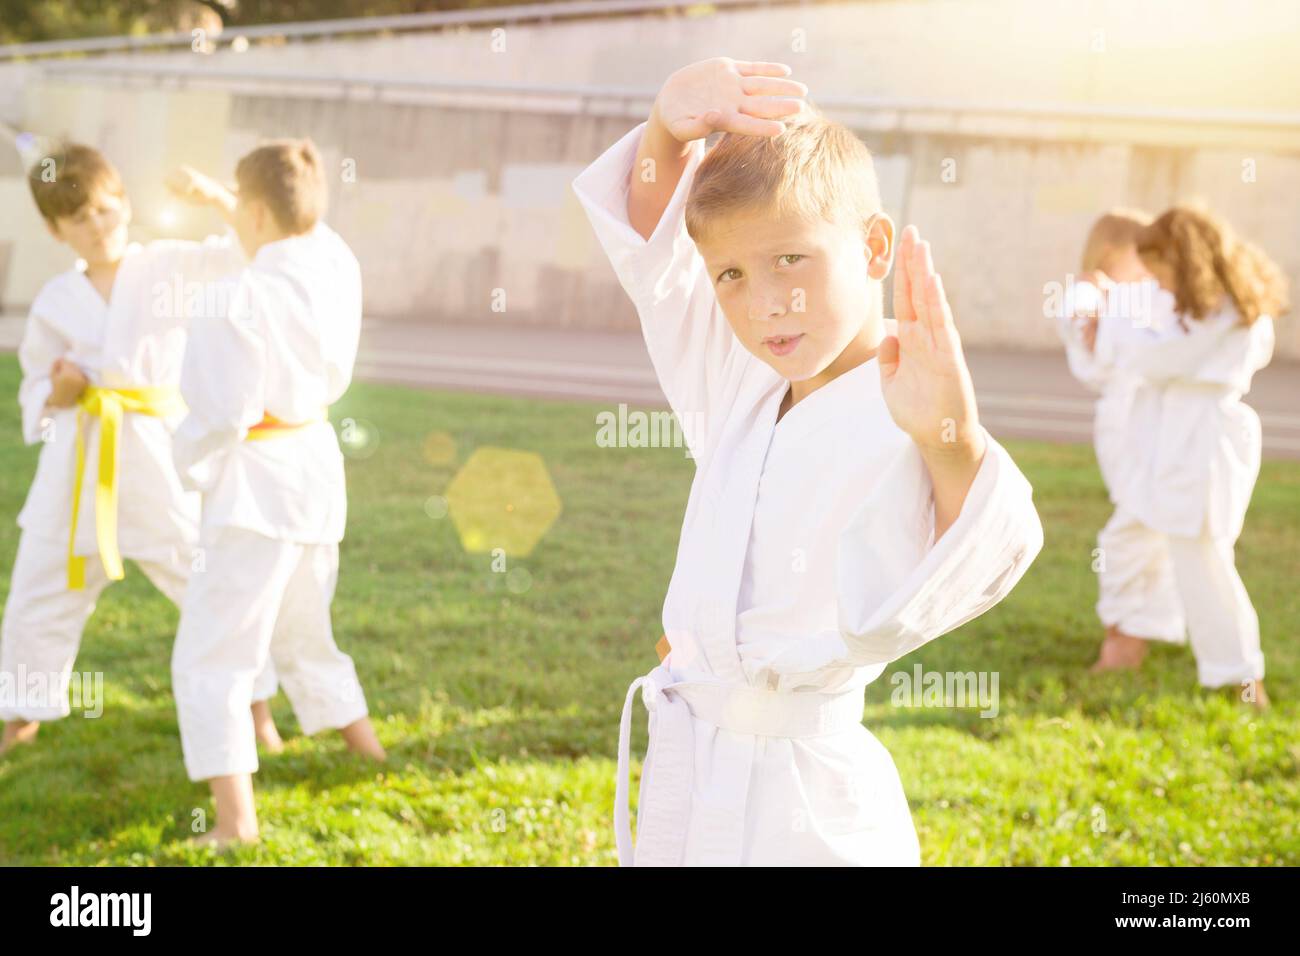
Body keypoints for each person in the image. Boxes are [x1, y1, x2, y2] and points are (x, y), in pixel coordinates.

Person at [572, 57, 1043, 866]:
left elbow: (983, 557)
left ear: (873, 246)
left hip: (808, 802)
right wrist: (665, 123)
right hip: (695, 772)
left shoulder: (912, 403)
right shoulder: (740, 376)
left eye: (792, 259)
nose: (765, 304)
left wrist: (950, 437)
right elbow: (655, 255)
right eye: (731, 274)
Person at [0, 143, 281, 755]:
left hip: (159, 464)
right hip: (76, 472)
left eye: (103, 210)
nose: (96, 227)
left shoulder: (168, 268)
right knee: (38, 592)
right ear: (55, 230)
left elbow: (247, 254)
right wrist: (60, 391)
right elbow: (34, 388)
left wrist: (215, 198)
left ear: (123, 202)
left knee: (207, 583)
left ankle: (253, 706)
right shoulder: (55, 301)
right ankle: (21, 713)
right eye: (78, 220)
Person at [166, 140, 386, 845]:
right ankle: (371, 758)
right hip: (316, 471)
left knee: (213, 654)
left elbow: (217, 414)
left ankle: (235, 823)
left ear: (253, 211)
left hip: (254, 486)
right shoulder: (335, 259)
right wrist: (224, 197)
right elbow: (288, 221)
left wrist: (185, 462)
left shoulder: (232, 295)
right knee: (302, 630)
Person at [1089, 203, 1285, 707]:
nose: (1162, 288)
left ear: (1188, 261)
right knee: (1130, 536)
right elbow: (1150, 349)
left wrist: (1113, 314)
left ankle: (1244, 679)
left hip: (1200, 449)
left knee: (1205, 562)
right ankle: (1131, 636)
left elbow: (1156, 357)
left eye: (1164, 274)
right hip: (1166, 443)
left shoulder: (1231, 313)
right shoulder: (1199, 309)